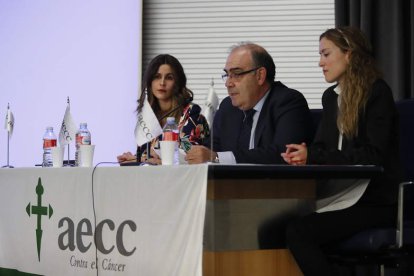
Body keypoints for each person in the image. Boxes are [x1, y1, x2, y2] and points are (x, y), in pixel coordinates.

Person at [281, 27, 402, 275]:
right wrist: (304, 153)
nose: (320, 62)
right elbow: (322, 147)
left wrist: (314, 157)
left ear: (349, 54)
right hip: (340, 195)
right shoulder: (330, 97)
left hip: (374, 200)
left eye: (326, 54)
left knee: (299, 232)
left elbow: (371, 156)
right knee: (279, 224)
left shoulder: (377, 92)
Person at [185, 42, 312, 164]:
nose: (228, 83)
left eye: (237, 74)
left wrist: (217, 157)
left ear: (260, 76)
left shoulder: (288, 101)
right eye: (227, 75)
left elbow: (284, 153)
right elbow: (210, 149)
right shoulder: (227, 107)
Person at [117, 54, 209, 165]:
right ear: (150, 82)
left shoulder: (191, 114)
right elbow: (145, 156)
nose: (162, 83)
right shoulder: (148, 115)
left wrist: (154, 159)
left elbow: (190, 154)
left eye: (169, 78)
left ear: (178, 83)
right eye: (157, 77)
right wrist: (134, 158)